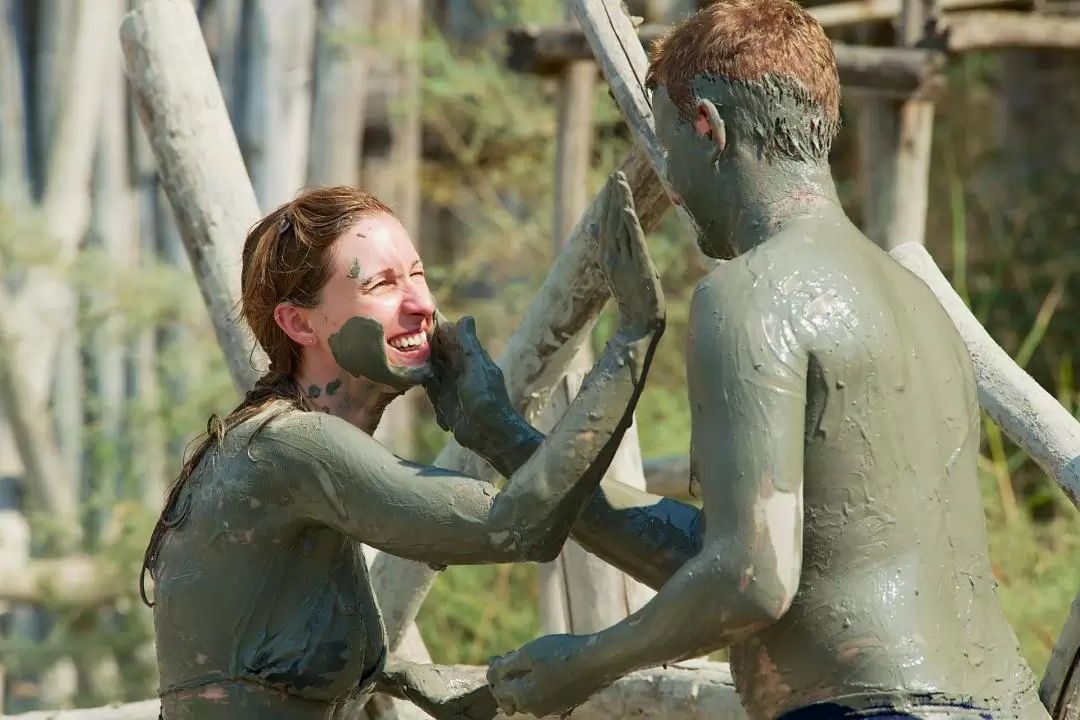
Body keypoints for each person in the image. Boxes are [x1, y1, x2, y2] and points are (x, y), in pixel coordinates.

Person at [466, 2, 1051, 718]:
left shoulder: (750, 295)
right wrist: (507, 439)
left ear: (708, 126)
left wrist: (587, 661)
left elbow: (749, 580)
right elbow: (733, 554)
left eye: (669, 141)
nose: (670, 178)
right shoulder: (917, 305)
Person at [139, 184, 665, 720]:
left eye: (417, 275)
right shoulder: (293, 446)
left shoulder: (287, 450)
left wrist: (406, 676)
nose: (421, 305)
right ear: (299, 323)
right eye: (383, 285)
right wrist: (634, 337)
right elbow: (524, 524)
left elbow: (261, 640)